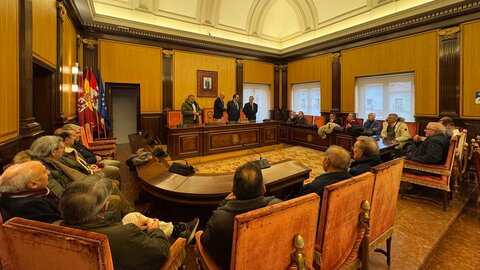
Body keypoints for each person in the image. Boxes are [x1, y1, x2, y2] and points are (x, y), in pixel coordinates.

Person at [59, 178, 199, 270]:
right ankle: (180, 233)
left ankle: (177, 230)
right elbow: (160, 252)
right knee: (151, 225)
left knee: (132, 216)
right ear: (102, 208)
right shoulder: (121, 235)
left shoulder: (57, 228)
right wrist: (155, 231)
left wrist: (131, 228)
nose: (108, 202)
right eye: (106, 200)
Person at [201, 162, 281, 269]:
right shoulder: (279, 206)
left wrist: (223, 203)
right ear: (263, 188)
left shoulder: (220, 220)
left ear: (233, 189)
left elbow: (204, 241)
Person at [56, 129, 120, 181]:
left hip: (90, 167)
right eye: (73, 136)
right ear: (66, 140)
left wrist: (91, 166)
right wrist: (91, 169)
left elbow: (82, 161)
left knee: (115, 173)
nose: (76, 137)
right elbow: (77, 168)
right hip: (87, 175)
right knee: (114, 171)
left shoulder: (72, 147)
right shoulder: (65, 153)